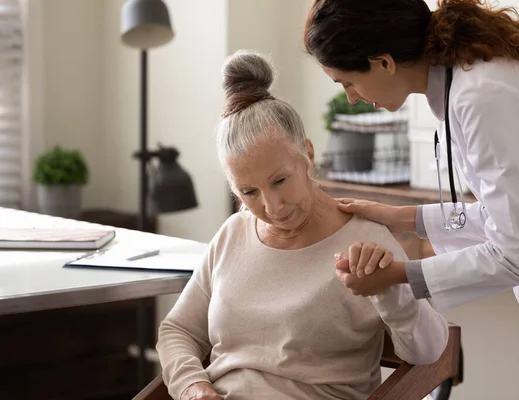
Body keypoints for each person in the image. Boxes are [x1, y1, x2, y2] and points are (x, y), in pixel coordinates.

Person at [303, 0, 519, 399]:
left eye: (346, 82)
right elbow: (509, 216)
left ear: (384, 62)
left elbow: (515, 253)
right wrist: (400, 217)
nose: (352, 97)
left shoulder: (483, 96)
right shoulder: (466, 86)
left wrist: (400, 275)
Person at [156, 50, 449, 400]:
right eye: (249, 192)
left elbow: (431, 351)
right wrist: (193, 388)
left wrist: (389, 291)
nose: (272, 206)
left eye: (280, 180)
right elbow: (177, 330)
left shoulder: (366, 240)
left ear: (308, 155)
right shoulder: (233, 234)